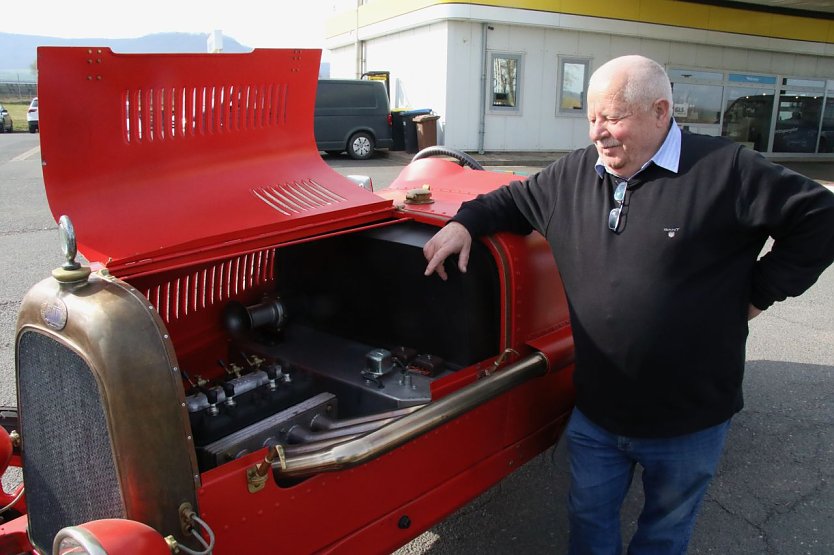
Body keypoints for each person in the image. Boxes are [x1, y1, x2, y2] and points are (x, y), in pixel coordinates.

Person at [423, 55, 834, 554]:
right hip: (598, 414)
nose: (599, 132)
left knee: (664, 532)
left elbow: (820, 217)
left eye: (614, 117)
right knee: (588, 521)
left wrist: (759, 293)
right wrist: (465, 223)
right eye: (591, 116)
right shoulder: (572, 175)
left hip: (690, 421)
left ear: (661, 111)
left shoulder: (726, 170)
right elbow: (508, 201)